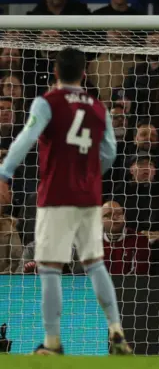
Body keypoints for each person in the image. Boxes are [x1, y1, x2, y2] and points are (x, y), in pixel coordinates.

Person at [0, 47, 131, 356]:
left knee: (49, 268)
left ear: (56, 72)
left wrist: (4, 173)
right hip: (88, 196)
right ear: (84, 74)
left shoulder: (47, 102)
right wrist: (88, 174)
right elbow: (110, 152)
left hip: (56, 196)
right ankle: (116, 330)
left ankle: (52, 341)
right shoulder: (98, 106)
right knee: (95, 264)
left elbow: (24, 141)